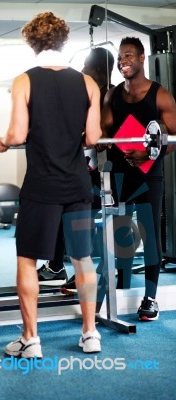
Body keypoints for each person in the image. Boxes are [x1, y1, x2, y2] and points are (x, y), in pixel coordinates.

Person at [0, 11, 102, 357]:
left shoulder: (24, 80)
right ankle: (91, 333)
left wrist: (0, 143)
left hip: (42, 186)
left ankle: (30, 339)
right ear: (64, 42)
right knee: (83, 260)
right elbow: (94, 137)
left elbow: (17, 134)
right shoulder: (87, 83)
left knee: (27, 260)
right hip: (78, 185)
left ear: (31, 43)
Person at [101, 37, 176, 321]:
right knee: (122, 233)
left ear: (143, 58)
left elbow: (173, 138)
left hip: (149, 175)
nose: (124, 61)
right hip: (120, 173)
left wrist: (149, 154)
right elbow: (104, 131)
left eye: (129, 56)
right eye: (120, 57)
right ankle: (120, 290)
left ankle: (150, 298)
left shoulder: (160, 96)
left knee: (150, 234)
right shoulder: (113, 95)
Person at [36, 47, 115, 291]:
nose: (82, 71)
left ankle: (82, 271)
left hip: (98, 170)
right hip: (81, 165)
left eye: (87, 67)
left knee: (81, 222)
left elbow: (101, 134)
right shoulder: (89, 92)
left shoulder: (108, 96)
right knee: (66, 216)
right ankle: (57, 265)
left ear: (100, 72)